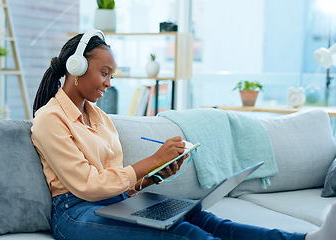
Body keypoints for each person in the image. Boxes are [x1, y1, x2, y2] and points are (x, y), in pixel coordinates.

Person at [31, 29, 335, 240]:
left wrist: (155, 175)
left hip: (116, 200)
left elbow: (116, 179)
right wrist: (151, 161)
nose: (108, 82)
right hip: (77, 213)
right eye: (104, 72)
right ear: (77, 67)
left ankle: (308, 238)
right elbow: (88, 185)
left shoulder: (100, 118)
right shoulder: (49, 120)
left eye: (112, 75)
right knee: (183, 234)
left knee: (201, 218)